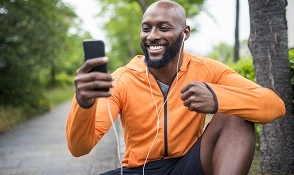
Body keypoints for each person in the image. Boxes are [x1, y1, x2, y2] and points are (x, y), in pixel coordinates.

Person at [66, 0, 285, 174]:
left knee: (236, 116)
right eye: (146, 28)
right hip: (140, 170)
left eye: (163, 28)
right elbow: (79, 148)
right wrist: (84, 104)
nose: (152, 36)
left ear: (185, 32)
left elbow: (274, 105)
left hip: (190, 163)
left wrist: (218, 99)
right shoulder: (123, 79)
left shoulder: (207, 70)